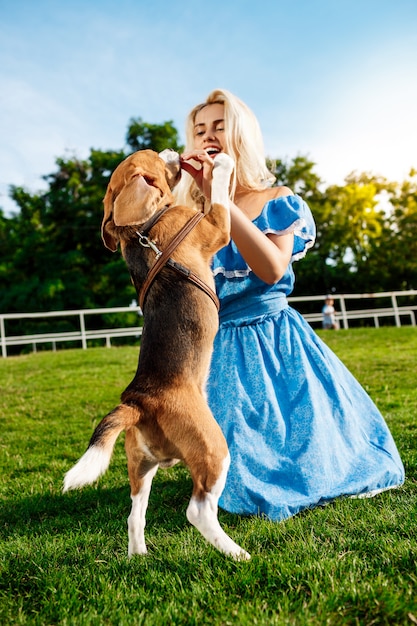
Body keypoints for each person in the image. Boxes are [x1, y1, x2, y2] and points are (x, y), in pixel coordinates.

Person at [175, 88, 404, 521]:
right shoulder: (190, 214)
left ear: (240, 134)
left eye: (220, 126)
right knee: (235, 479)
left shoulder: (276, 200)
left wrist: (222, 198)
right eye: (199, 130)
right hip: (219, 352)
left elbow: (273, 270)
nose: (208, 136)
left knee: (309, 450)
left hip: (276, 338)